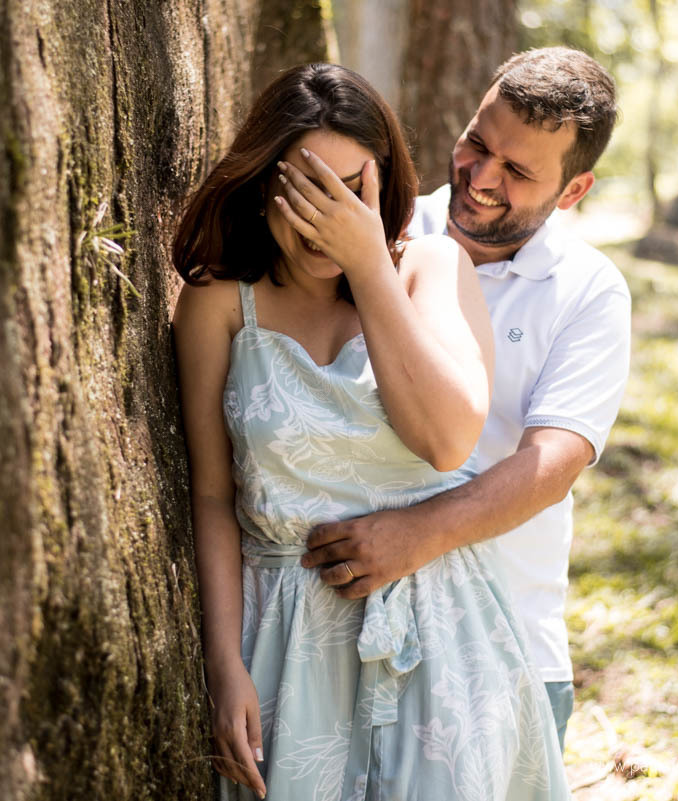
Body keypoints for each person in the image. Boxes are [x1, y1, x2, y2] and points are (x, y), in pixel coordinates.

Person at [172, 63, 570, 800]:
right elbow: (211, 496)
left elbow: (448, 439)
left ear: (385, 186)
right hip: (286, 643)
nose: (327, 218)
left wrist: (368, 265)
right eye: (306, 189)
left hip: (437, 636)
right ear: (265, 187)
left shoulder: (432, 267)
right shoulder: (219, 304)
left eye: (351, 190)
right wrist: (224, 663)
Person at [299, 47, 632, 752]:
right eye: (477, 143)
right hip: (333, 628)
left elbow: (554, 462)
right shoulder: (376, 228)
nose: (480, 177)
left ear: (573, 192)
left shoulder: (589, 292)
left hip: (505, 642)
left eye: (517, 171)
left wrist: (416, 534)